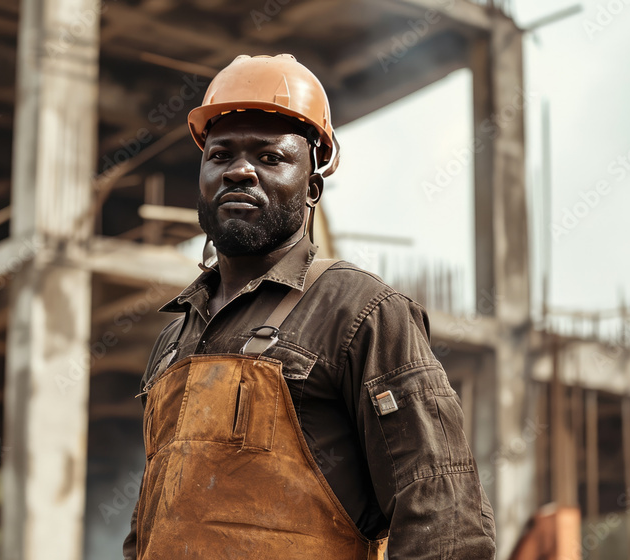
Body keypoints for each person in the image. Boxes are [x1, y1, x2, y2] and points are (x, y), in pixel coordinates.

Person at [123, 54, 496, 559]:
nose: (239, 171)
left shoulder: (362, 313)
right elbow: (149, 530)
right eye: (220, 155)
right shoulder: (176, 338)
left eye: (270, 158)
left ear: (312, 188)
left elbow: (444, 514)